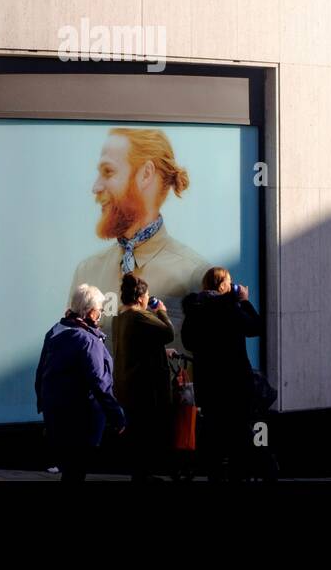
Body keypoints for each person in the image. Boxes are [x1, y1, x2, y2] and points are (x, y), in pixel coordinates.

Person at [69, 129, 209, 351]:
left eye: (108, 171)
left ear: (145, 174)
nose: (95, 187)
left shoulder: (194, 274)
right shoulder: (87, 273)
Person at [35, 284, 126, 481]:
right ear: (91, 312)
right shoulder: (87, 340)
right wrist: (117, 416)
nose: (101, 315)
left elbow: (41, 372)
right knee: (76, 470)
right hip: (82, 417)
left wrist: (43, 405)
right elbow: (99, 383)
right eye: (100, 311)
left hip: (56, 415)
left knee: (70, 470)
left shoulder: (55, 332)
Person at [181, 267, 262, 481]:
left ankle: (214, 477)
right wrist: (244, 300)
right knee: (239, 435)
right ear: (224, 285)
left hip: (208, 385)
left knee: (213, 434)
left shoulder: (194, 309)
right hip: (234, 384)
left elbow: (188, 341)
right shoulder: (229, 308)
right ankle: (237, 477)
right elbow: (255, 327)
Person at [112, 273, 175, 481]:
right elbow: (168, 333)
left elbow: (136, 346)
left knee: (137, 434)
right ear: (140, 298)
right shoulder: (140, 316)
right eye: (146, 295)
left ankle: (139, 474)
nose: (148, 298)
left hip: (126, 386)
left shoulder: (120, 317)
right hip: (143, 388)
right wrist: (162, 312)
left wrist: (159, 352)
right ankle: (143, 475)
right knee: (145, 434)